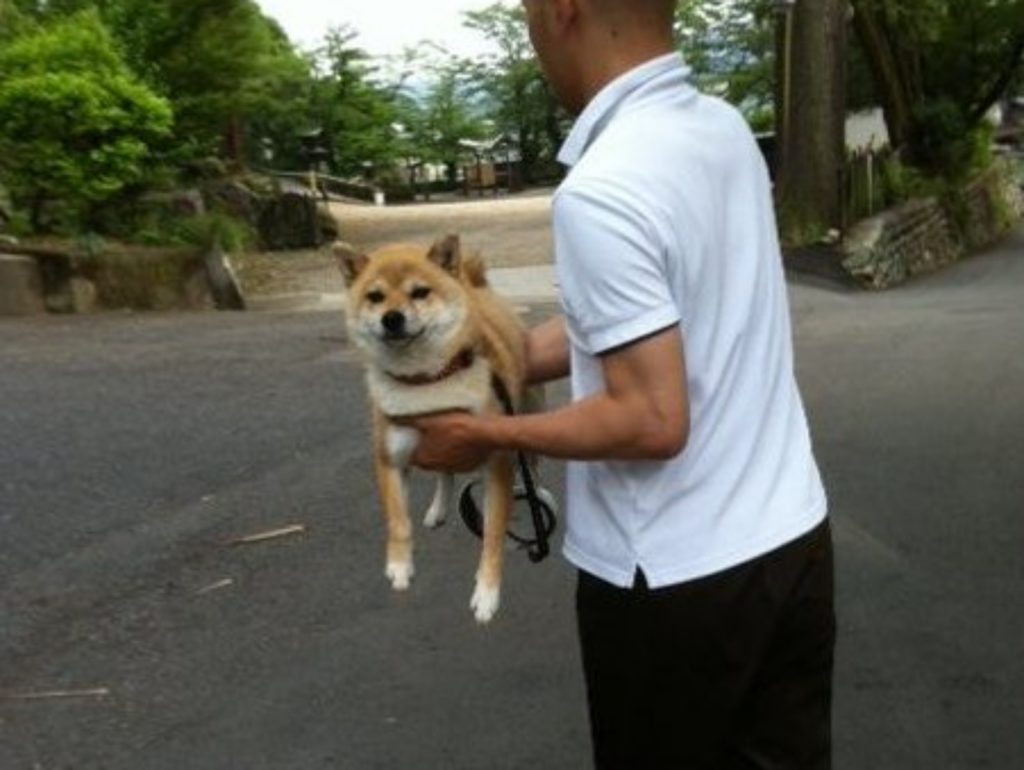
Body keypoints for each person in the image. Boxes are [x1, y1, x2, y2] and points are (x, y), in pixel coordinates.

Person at [405, 0, 834, 767]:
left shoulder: (601, 190)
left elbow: (650, 419)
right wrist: (489, 366)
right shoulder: (724, 132)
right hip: (791, 541)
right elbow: (643, 320)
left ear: (563, 9)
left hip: (674, 583)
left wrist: (486, 435)